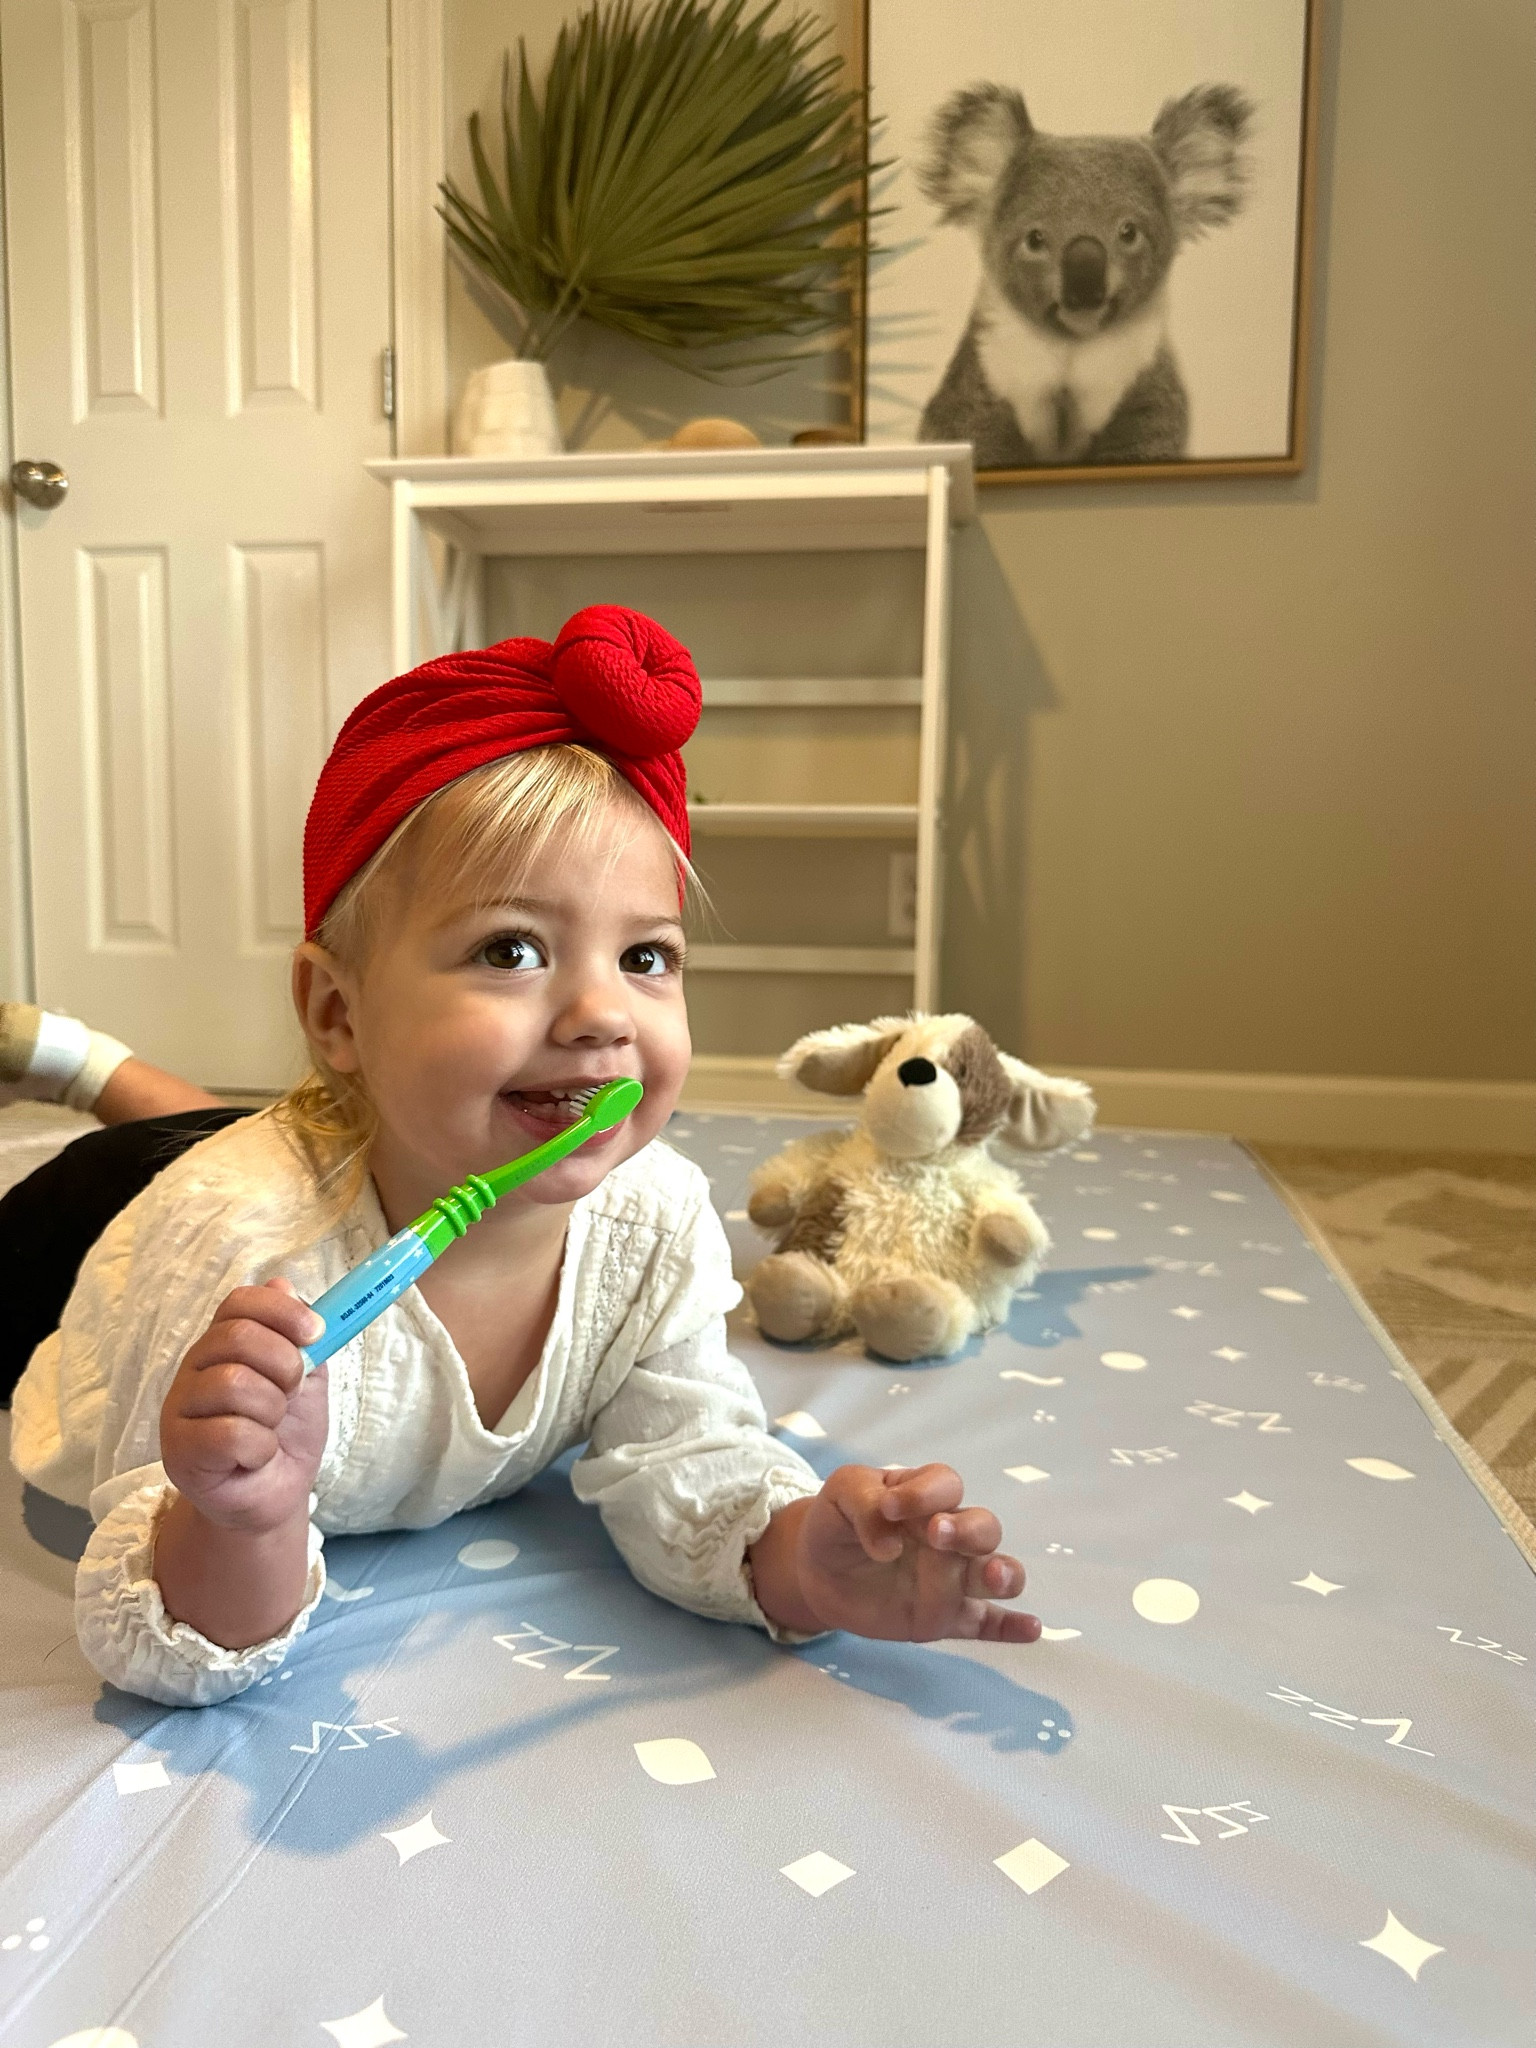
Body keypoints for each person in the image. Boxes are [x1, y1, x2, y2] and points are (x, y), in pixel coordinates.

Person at [8, 606, 1040, 1707]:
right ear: (335, 1009)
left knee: (266, 1124)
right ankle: (97, 1073)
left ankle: (94, 1062)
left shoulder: (655, 1217)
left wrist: (804, 1560)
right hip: (80, 1231)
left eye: (648, 953)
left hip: (344, 1137)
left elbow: (692, 1459)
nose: (603, 1011)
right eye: (512, 948)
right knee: (197, 1150)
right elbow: (155, 1633)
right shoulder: (236, 1248)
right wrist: (240, 1516)